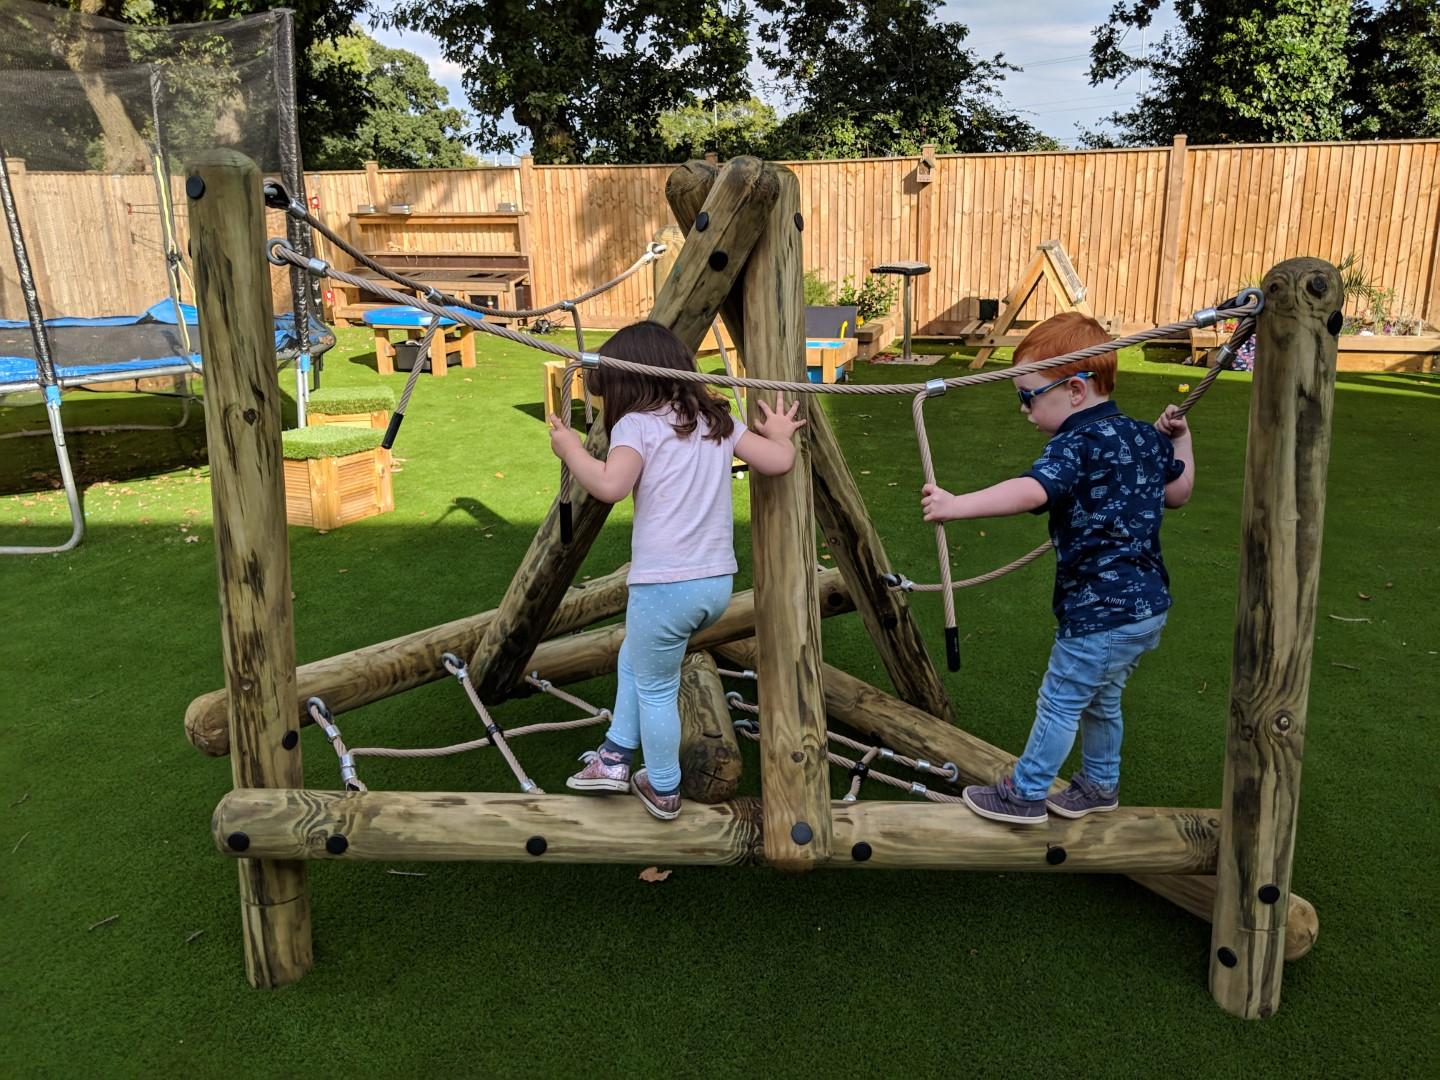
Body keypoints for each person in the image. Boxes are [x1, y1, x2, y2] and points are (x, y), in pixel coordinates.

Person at [919, 312, 1194, 825]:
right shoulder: (1141, 436)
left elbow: (1032, 491)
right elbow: (1178, 493)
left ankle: (1024, 793)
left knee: (1061, 699)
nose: (1023, 409)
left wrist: (957, 505)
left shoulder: (1075, 443)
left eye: (1027, 396)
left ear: (1073, 389)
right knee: (1102, 699)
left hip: (1100, 611)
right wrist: (1179, 441)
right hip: (1147, 607)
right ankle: (1099, 784)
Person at [548, 320, 805, 820]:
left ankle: (662, 785)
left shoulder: (636, 424)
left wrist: (571, 450)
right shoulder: (716, 421)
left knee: (656, 687)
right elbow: (777, 461)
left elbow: (610, 485)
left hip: (664, 587)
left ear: (630, 383)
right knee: (636, 660)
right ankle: (615, 756)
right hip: (714, 586)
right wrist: (778, 434)